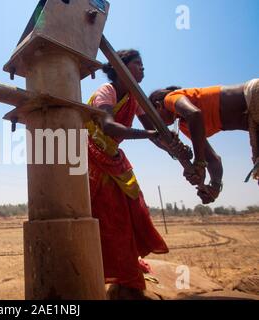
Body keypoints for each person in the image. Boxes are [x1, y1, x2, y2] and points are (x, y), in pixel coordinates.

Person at [86, 50, 190, 299]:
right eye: (137, 65)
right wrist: (152, 135)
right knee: (111, 215)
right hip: (89, 154)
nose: (143, 69)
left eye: (143, 65)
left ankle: (127, 267)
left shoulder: (135, 97)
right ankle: (121, 274)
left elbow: (153, 131)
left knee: (134, 207)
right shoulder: (106, 91)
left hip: (112, 156)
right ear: (121, 68)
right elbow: (108, 126)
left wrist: (174, 149)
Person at [149, 79, 259, 203]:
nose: (155, 123)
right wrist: (214, 187)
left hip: (254, 95)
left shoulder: (170, 98)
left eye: (152, 116)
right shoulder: (186, 125)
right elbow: (213, 159)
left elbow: (194, 113)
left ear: (158, 105)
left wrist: (199, 163)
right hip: (254, 122)